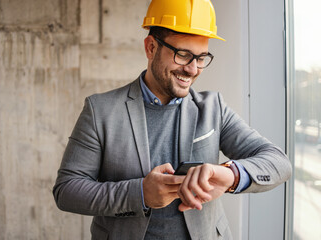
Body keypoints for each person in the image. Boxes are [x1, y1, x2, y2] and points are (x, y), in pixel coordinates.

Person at [53, 0, 292, 239]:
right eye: (183, 54)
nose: (192, 69)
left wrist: (230, 176)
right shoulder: (101, 110)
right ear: (151, 48)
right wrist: (140, 194)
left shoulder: (213, 108)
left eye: (201, 58)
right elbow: (67, 190)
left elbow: (278, 162)